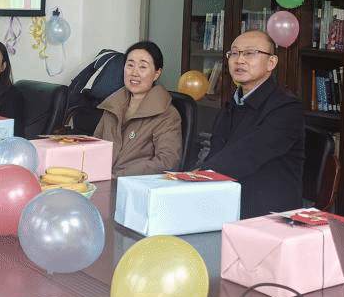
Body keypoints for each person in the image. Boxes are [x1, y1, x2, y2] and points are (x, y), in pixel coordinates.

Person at [201, 29, 305, 218]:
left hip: (267, 211)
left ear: (271, 62)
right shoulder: (233, 102)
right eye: (234, 53)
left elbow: (248, 153)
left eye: (249, 53)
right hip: (227, 198)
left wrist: (199, 175)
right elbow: (217, 150)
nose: (239, 60)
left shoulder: (287, 107)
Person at [93, 41, 182, 176]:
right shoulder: (112, 105)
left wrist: (119, 175)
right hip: (100, 180)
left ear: (156, 74)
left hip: (134, 184)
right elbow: (95, 146)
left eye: (142, 67)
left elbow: (167, 161)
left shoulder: (167, 115)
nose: (134, 73)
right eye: (130, 65)